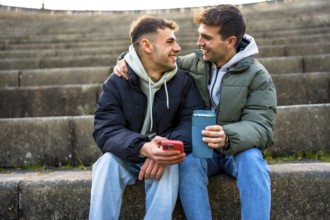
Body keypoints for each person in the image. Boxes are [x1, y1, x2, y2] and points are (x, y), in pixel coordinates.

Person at [113, 4, 277, 220]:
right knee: (188, 162)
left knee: (253, 161)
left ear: (230, 42)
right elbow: (155, 58)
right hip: (200, 151)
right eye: (200, 35)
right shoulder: (194, 62)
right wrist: (127, 58)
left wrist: (227, 135)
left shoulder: (258, 76)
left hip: (236, 151)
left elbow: (262, 127)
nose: (199, 42)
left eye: (207, 38)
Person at [89, 15, 205, 220]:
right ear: (146, 45)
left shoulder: (183, 80)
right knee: (106, 164)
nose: (178, 48)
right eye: (169, 41)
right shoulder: (117, 81)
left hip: (163, 154)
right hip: (128, 154)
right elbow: (105, 129)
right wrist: (143, 147)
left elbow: (193, 123)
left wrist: (163, 148)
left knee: (169, 165)